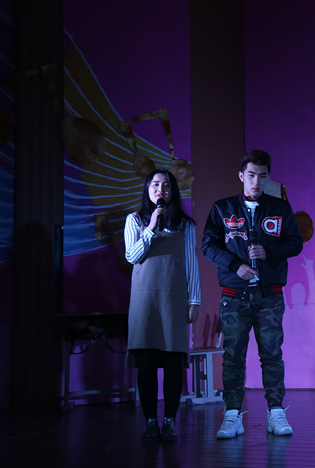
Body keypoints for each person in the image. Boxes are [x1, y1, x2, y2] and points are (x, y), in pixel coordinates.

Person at [201, 150, 303, 439]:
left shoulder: (279, 208)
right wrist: (236, 265)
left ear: (268, 178)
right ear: (241, 176)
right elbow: (208, 245)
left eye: (262, 176)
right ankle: (232, 415)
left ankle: (276, 413)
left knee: (272, 354)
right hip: (234, 295)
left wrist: (268, 252)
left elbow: (295, 243)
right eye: (251, 175)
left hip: (269, 295)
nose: (256, 181)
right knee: (233, 356)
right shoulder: (223, 209)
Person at [124, 169, 201, 443]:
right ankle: (150, 422)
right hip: (144, 301)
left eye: (166, 185)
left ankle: (169, 421)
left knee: (172, 363)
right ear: (147, 190)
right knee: (146, 363)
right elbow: (132, 256)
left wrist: (194, 300)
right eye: (155, 185)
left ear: (173, 191)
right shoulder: (134, 220)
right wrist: (151, 227)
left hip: (174, 299)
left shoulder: (186, 225)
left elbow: (192, 264)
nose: (161, 190)